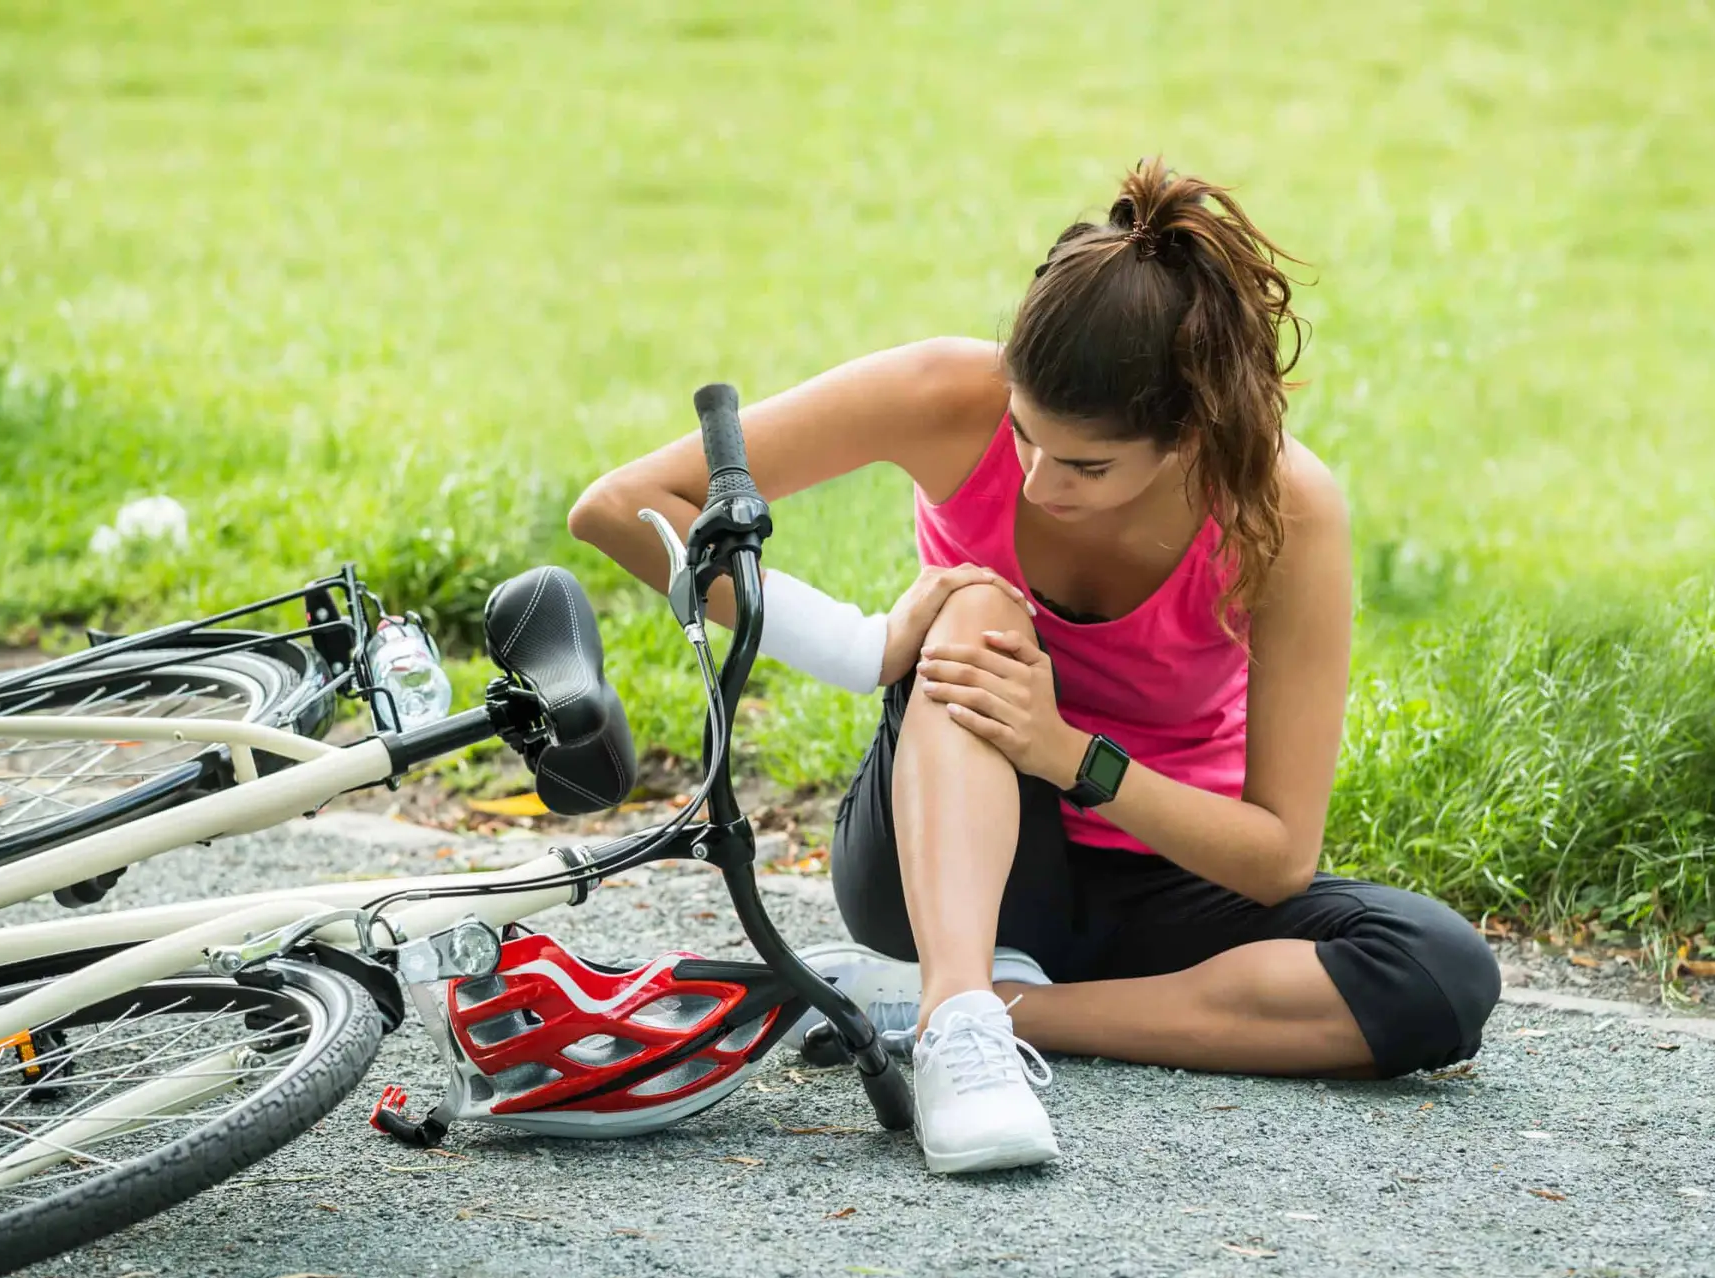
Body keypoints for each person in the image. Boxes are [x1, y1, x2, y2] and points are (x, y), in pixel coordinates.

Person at [567, 159, 1500, 1176]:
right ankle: (960, 1014)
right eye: (1022, 437)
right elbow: (625, 505)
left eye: (1087, 466)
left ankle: (989, 1011)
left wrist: (1068, 752)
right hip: (953, 862)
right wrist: (865, 645)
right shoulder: (943, 392)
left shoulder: (1284, 508)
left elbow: (1278, 856)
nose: (1038, 482)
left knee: (1440, 977)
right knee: (976, 607)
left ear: (1188, 435)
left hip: (1165, 879)